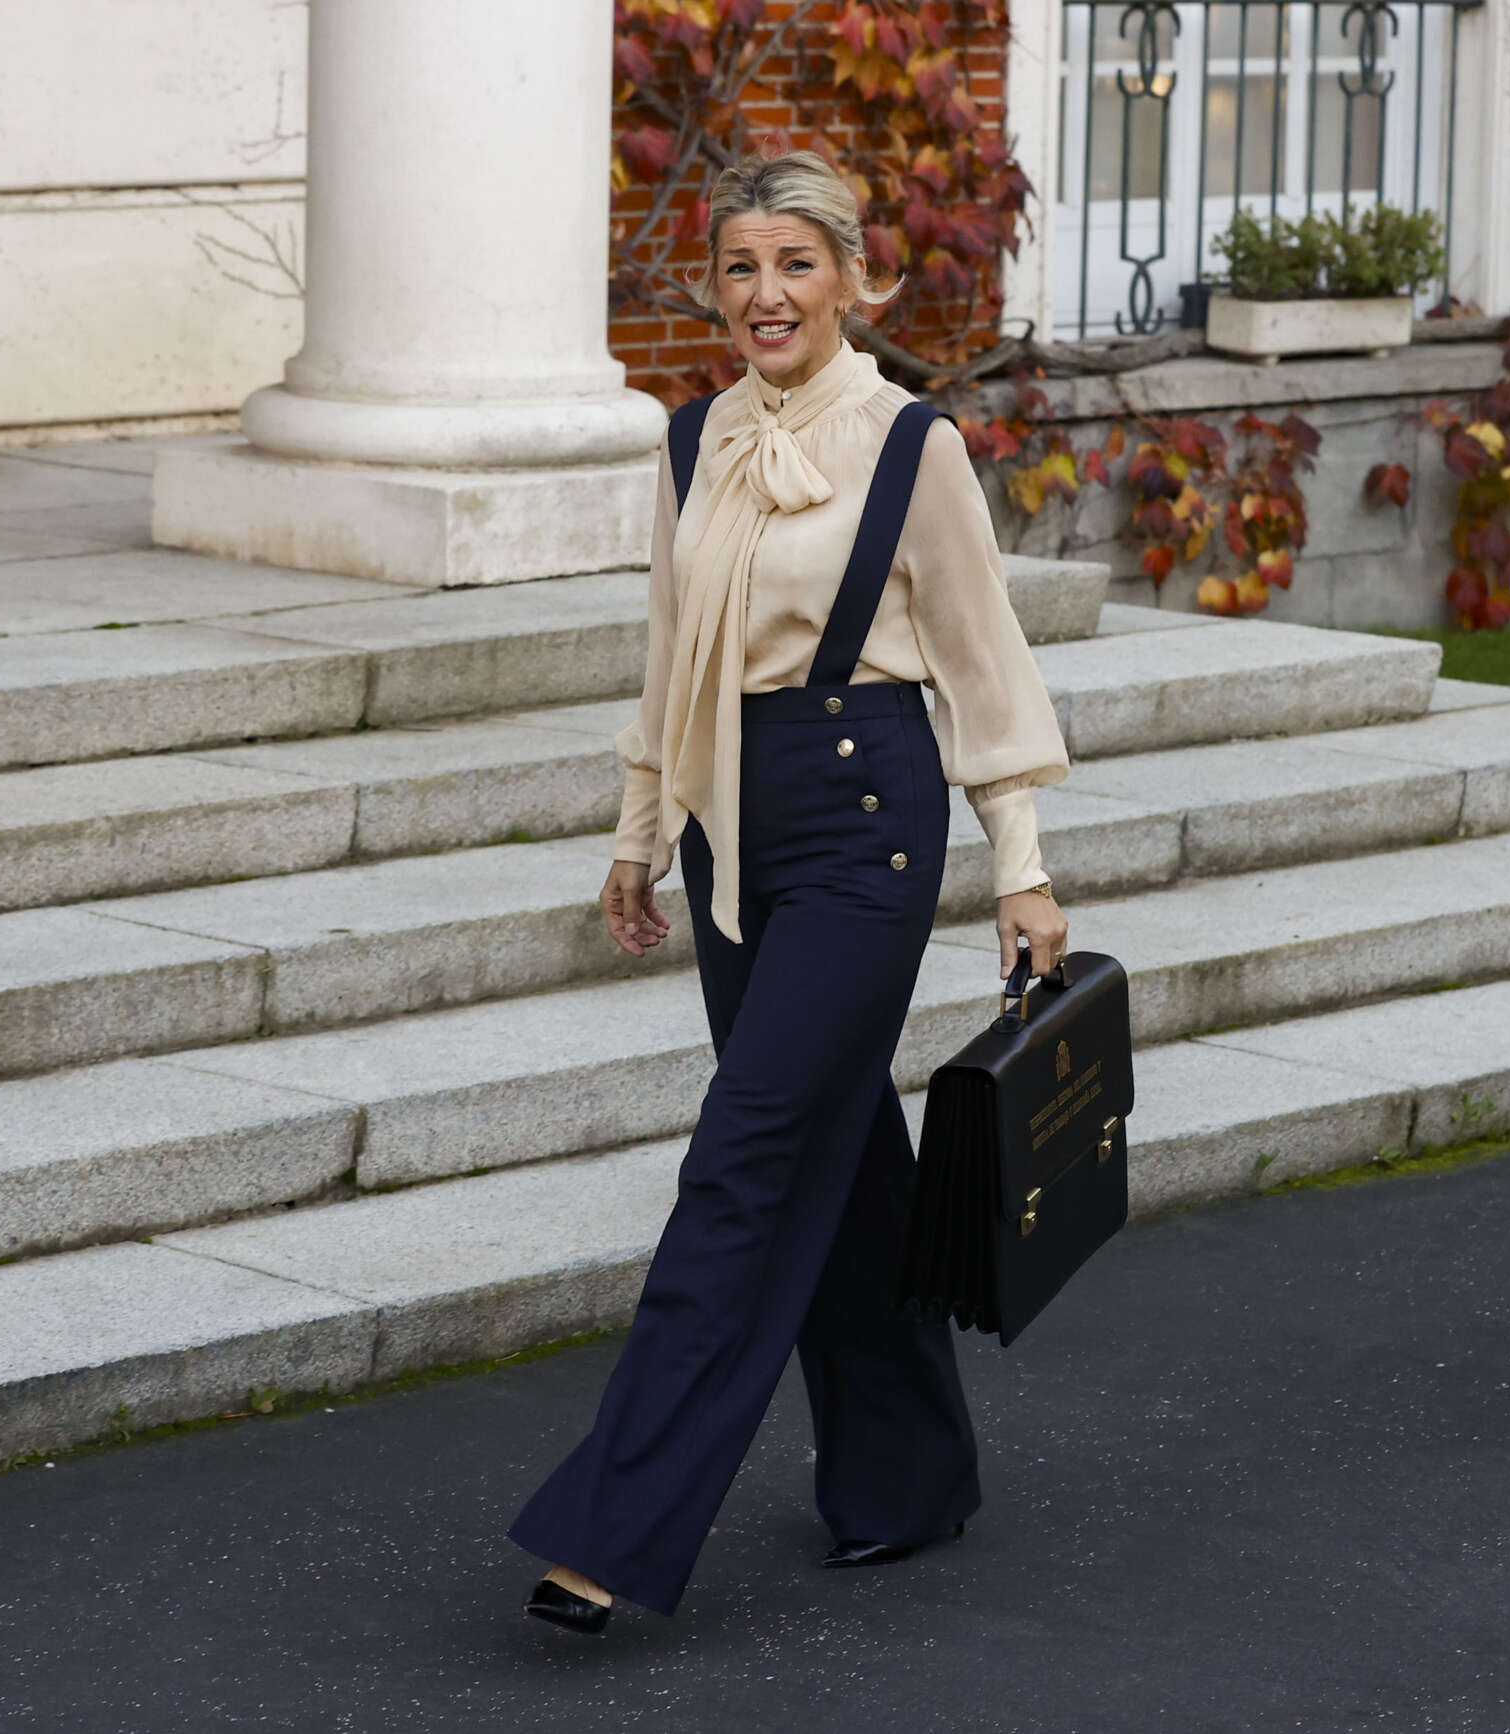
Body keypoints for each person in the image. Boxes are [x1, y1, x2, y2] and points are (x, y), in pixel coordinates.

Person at [512, 149, 1072, 1635]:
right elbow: (667, 650)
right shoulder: (690, 439)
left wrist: (1021, 867)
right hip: (728, 830)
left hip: (864, 826)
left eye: (797, 265)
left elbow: (982, 662)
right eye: (742, 268)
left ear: (851, 277)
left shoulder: (911, 447)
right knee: (842, 1148)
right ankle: (906, 1474)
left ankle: (615, 1523)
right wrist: (640, 832)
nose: (767, 295)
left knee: (744, 1158)